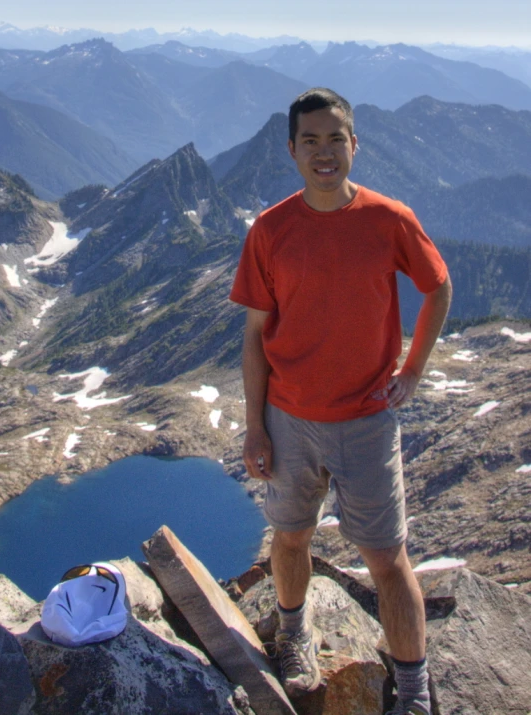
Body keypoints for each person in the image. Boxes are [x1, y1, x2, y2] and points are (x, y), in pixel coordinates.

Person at [229, 87, 452, 715]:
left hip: (366, 422)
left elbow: (438, 289)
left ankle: (412, 692)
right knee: (290, 536)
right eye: (311, 141)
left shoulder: (389, 219)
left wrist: (412, 371)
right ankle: (294, 635)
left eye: (335, 139)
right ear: (292, 150)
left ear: (354, 145)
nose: (324, 152)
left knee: (387, 557)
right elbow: (255, 337)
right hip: (289, 418)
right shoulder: (271, 230)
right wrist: (255, 427)